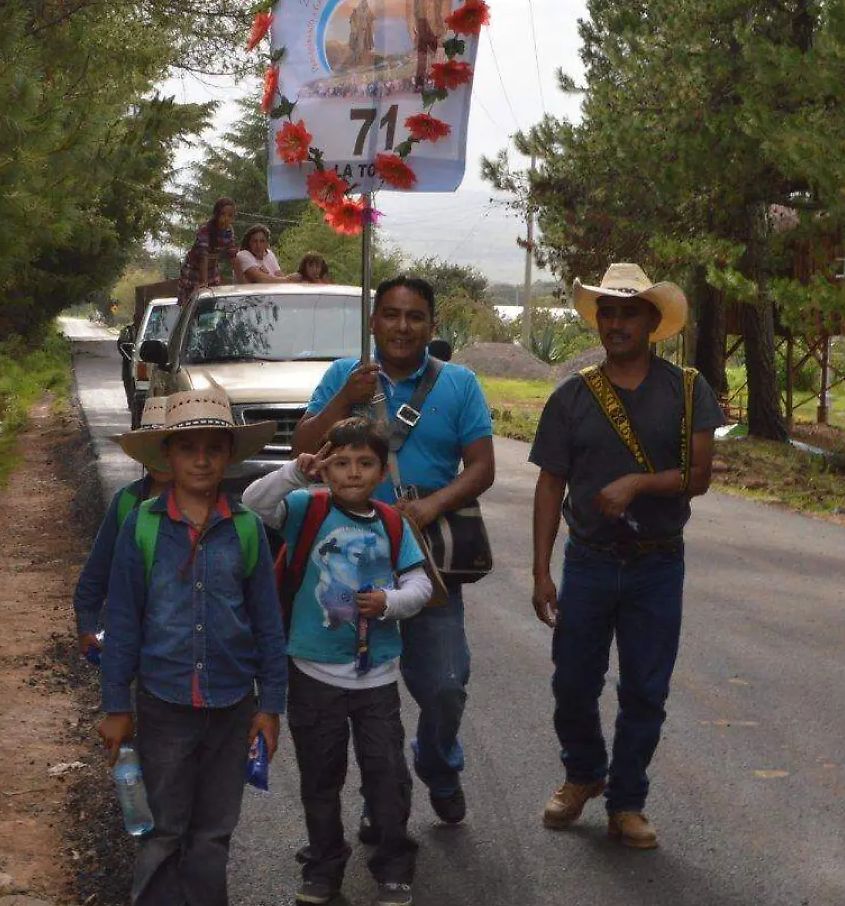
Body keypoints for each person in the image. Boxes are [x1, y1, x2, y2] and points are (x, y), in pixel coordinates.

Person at [528, 263, 723, 850]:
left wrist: (637, 484)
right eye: (607, 312)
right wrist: (541, 570)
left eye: (627, 312)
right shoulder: (571, 397)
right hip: (587, 560)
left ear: (652, 321)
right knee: (573, 681)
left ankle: (627, 800)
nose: (615, 323)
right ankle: (583, 771)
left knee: (645, 688)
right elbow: (549, 486)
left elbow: (700, 475)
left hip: (658, 564)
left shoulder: (689, 391)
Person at [293, 277, 495, 826]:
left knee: (445, 683)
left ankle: (438, 763)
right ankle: (381, 799)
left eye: (414, 317)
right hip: (350, 559)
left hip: (425, 554)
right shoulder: (344, 376)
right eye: (390, 315)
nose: (402, 327)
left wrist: (432, 507)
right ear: (374, 322)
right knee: (360, 697)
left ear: (432, 325)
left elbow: (481, 467)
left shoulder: (459, 384)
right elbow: (302, 449)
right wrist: (345, 401)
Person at [98, 387, 287, 906]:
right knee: (162, 830)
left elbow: (267, 624)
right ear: (167, 458)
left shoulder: (248, 529)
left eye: (213, 448)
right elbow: (124, 621)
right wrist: (115, 705)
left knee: (212, 833)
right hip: (164, 705)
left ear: (228, 455)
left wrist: (270, 705)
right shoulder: (144, 527)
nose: (201, 460)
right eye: (188, 449)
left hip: (231, 706)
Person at [242, 417, 431, 906]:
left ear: (382, 470)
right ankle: (323, 867)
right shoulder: (307, 508)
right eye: (341, 463)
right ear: (326, 467)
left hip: (378, 678)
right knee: (320, 779)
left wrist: (389, 602)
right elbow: (252, 503)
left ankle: (393, 867)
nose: (352, 473)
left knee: (385, 776)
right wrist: (294, 473)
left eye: (365, 463)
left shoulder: (393, 522)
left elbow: (422, 586)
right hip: (313, 674)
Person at [73, 395, 172, 660]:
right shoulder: (126, 501)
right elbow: (99, 567)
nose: (157, 459)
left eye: (165, 450)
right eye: (148, 450)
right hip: (131, 636)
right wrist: (87, 624)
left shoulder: (212, 510)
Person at [178, 198, 239, 305]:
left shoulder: (229, 232)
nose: (226, 219)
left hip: (211, 269)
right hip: (193, 270)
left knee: (211, 302)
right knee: (190, 301)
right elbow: (203, 256)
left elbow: (233, 256)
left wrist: (242, 282)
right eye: (223, 214)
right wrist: (204, 282)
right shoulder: (206, 229)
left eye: (230, 216)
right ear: (216, 215)